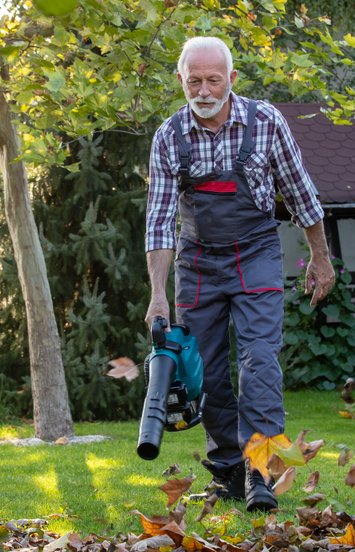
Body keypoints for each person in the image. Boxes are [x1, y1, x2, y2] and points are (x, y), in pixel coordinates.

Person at [144, 36, 334, 512]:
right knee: (203, 372)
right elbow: (160, 221)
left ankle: (260, 471)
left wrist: (321, 257)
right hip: (198, 261)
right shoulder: (170, 136)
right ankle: (228, 470)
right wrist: (158, 295)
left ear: (231, 79)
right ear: (181, 81)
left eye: (213, 80)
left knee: (260, 361)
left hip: (256, 253)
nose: (204, 90)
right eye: (194, 81)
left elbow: (300, 194)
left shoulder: (266, 122)